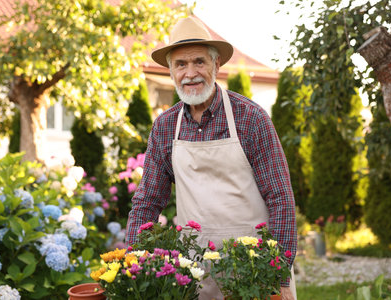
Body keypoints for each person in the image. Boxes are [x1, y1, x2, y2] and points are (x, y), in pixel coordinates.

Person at [126, 16, 297, 300]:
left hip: (254, 270)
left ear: (217, 65)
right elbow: (147, 201)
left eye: (199, 62)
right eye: (181, 64)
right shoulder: (165, 127)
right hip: (194, 272)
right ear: (171, 72)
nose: (190, 73)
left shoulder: (251, 119)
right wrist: (132, 264)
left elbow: (281, 198)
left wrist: (275, 275)